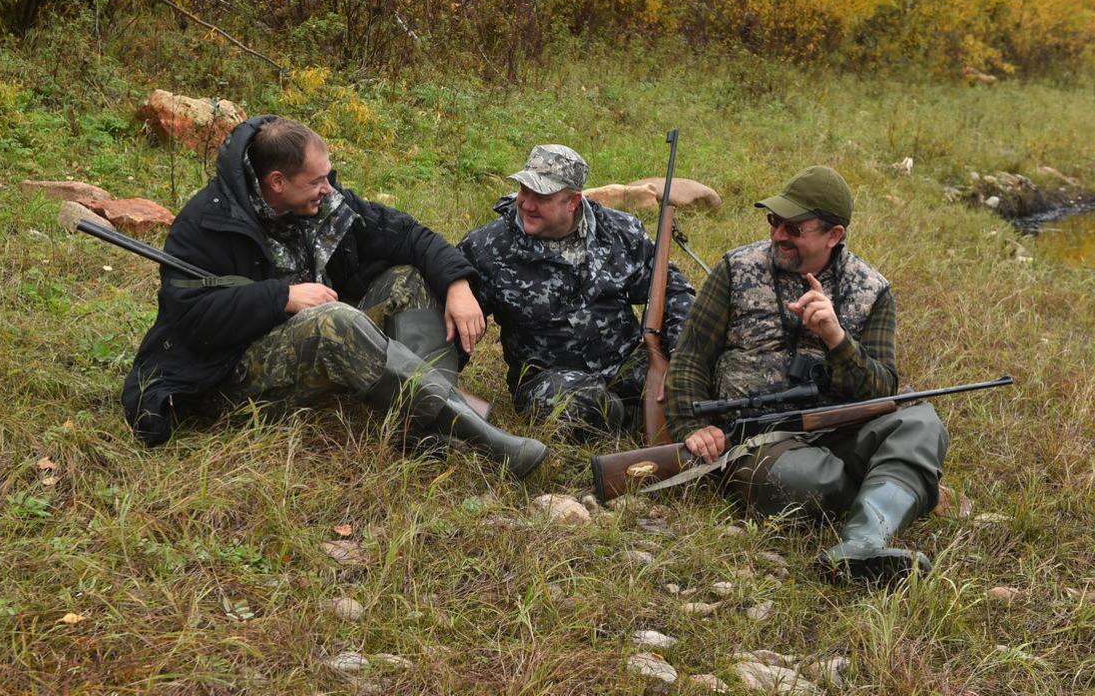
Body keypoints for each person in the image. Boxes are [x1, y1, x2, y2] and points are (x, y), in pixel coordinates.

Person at [120, 116, 547, 478]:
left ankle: (421, 427)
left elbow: (408, 235)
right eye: (317, 180)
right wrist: (281, 297)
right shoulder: (207, 225)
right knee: (334, 320)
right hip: (226, 376)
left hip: (303, 348)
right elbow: (193, 319)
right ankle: (480, 436)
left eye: (328, 175)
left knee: (407, 277)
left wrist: (457, 286)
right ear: (276, 181)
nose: (329, 188)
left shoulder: (324, 204)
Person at [665, 165, 949, 583]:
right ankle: (898, 488)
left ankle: (862, 544)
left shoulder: (872, 290)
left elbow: (880, 388)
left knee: (922, 423)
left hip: (840, 426)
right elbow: (690, 358)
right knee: (800, 480)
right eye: (775, 222)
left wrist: (837, 340)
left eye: (795, 228)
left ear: (833, 236)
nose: (779, 235)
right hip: (757, 441)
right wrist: (693, 426)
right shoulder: (736, 270)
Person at [458, 144, 695, 438]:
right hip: (551, 380)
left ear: (572, 201)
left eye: (541, 196)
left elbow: (674, 291)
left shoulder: (621, 231)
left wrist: (678, 360)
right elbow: (455, 320)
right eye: (524, 190)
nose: (527, 204)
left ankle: (651, 410)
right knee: (569, 406)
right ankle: (634, 417)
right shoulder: (487, 246)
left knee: (701, 377)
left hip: (628, 361)